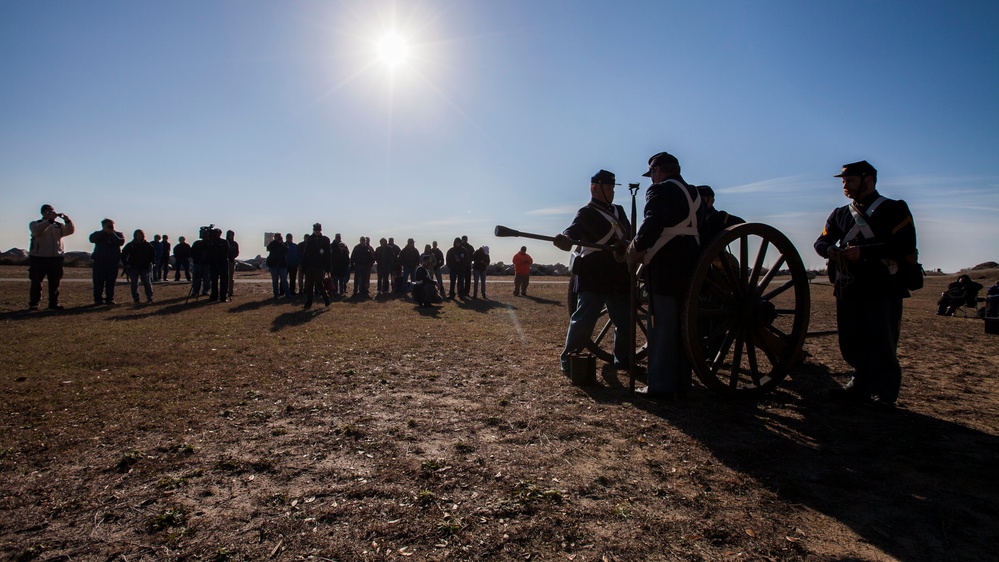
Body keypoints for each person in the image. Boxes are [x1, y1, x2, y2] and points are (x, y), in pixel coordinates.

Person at [814, 160, 918, 407]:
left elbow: (904, 245)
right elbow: (820, 241)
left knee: (882, 338)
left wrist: (864, 252)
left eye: (849, 181)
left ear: (868, 180)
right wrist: (829, 250)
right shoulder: (840, 214)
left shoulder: (894, 209)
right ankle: (859, 383)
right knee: (852, 337)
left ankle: (885, 392)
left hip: (882, 284)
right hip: (850, 285)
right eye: (843, 182)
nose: (845, 186)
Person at [627, 153, 702, 401]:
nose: (651, 180)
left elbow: (653, 223)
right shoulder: (694, 194)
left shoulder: (659, 191)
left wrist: (636, 249)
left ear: (658, 171)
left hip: (665, 269)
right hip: (691, 268)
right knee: (683, 329)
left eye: (652, 175)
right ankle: (682, 383)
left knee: (661, 329)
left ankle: (659, 386)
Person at [554, 169, 633, 376]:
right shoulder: (586, 212)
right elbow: (573, 231)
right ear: (594, 188)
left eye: (612, 188)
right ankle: (569, 360)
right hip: (594, 275)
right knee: (583, 320)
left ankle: (622, 359)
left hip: (618, 275)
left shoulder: (619, 211)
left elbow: (630, 235)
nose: (611, 192)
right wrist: (564, 238)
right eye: (608, 188)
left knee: (625, 322)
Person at [28, 204, 75, 311]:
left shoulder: (58, 225)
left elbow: (69, 231)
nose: (51, 213)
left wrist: (67, 221)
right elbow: (37, 231)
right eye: (48, 211)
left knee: (55, 282)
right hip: (39, 257)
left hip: (56, 258)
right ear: (43, 213)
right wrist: (50, 221)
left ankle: (54, 303)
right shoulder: (35, 224)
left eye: (53, 211)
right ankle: (34, 303)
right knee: (36, 281)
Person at [89, 218, 125, 306]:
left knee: (111, 282)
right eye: (108, 225)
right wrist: (103, 232)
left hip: (113, 262)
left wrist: (112, 234)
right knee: (98, 282)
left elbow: (121, 242)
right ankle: (98, 299)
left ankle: (110, 299)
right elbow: (92, 239)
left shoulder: (118, 234)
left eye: (111, 225)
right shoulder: (98, 234)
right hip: (99, 262)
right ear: (103, 225)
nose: (110, 226)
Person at [301, 223, 333, 309]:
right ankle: (309, 302)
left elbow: (328, 254)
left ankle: (326, 299)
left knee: (319, 282)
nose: (317, 231)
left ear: (320, 230)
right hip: (310, 264)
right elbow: (306, 252)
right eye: (315, 230)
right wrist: (303, 265)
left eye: (318, 230)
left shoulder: (325, 240)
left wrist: (328, 266)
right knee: (309, 284)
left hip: (320, 265)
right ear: (313, 230)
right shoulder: (310, 239)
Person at [121, 229, 156, 304]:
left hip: (145, 266)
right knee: (134, 283)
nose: (138, 236)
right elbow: (123, 254)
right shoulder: (131, 245)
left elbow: (152, 254)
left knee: (147, 282)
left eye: (140, 234)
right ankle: (136, 298)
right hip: (133, 266)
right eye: (137, 234)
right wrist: (126, 263)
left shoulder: (147, 245)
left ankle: (149, 297)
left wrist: (152, 262)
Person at [206, 228, 230, 302]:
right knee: (213, 281)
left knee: (224, 281)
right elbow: (207, 250)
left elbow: (226, 252)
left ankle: (223, 296)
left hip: (222, 263)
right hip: (213, 263)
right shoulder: (210, 242)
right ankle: (214, 296)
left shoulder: (224, 242)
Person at [266, 233, 289, 299]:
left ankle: (287, 294)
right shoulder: (272, 244)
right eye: (276, 237)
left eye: (278, 237)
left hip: (282, 264)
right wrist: (275, 243)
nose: (277, 238)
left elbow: (286, 250)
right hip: (273, 264)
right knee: (275, 280)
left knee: (284, 280)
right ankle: (276, 295)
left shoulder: (284, 244)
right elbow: (268, 248)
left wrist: (281, 243)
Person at [190, 228, 211, 297]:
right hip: (197, 263)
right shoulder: (197, 243)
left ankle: (205, 290)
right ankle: (195, 291)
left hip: (207, 263)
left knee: (207, 278)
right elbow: (192, 253)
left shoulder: (209, 244)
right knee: (196, 278)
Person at [226, 230, 239, 297]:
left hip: (231, 261)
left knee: (231, 277)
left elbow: (237, 252)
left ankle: (230, 291)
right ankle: (224, 290)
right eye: (229, 235)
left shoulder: (234, 244)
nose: (230, 236)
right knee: (224, 277)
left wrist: (232, 256)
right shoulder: (225, 242)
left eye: (231, 235)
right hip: (224, 262)